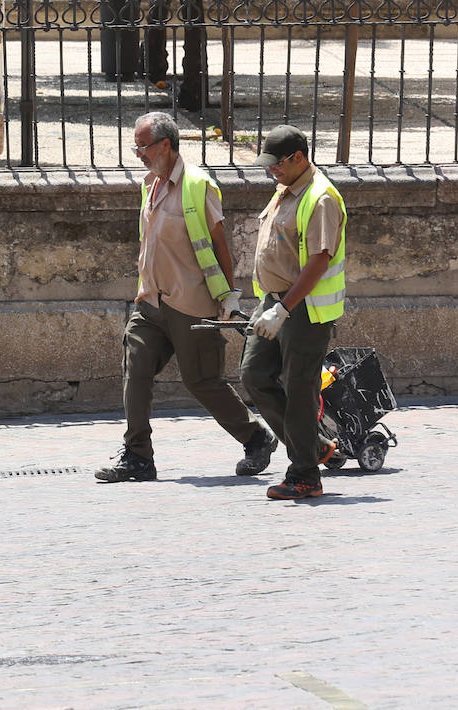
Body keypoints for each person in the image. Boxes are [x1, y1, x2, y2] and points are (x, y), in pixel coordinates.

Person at [96, 111, 276, 484]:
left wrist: (228, 297)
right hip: (150, 301)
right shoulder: (150, 183)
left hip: (190, 302)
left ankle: (256, 437)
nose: (139, 154)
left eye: (143, 146)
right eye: (136, 147)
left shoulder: (198, 185)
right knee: (136, 371)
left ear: (166, 145)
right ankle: (138, 456)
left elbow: (219, 246)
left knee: (202, 380)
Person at [241, 125, 348, 500]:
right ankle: (314, 447)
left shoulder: (320, 198)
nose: (271, 170)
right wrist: (269, 305)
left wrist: (284, 308)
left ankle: (305, 475)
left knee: (299, 388)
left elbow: (318, 260)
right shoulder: (286, 189)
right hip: (275, 301)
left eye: (277, 164)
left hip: (304, 308)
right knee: (253, 374)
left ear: (299, 158)